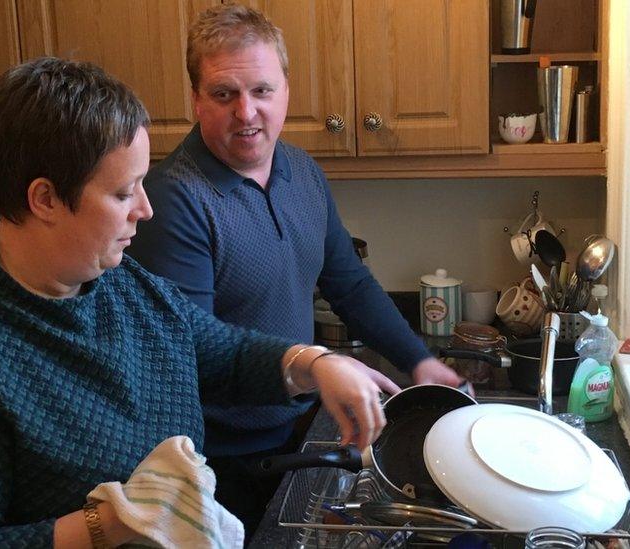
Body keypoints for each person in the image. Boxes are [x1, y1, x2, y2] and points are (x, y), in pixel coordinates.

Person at [0, 56, 399, 548]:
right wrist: (113, 522)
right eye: (122, 192)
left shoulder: (120, 282)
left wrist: (315, 363)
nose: (145, 209)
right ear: (44, 199)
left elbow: (221, 352)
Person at [130, 4, 466, 535]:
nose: (246, 112)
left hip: (301, 432)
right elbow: (194, 351)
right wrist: (315, 365)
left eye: (261, 91)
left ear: (286, 90)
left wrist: (418, 361)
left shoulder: (302, 172)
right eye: (224, 94)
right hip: (224, 461)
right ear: (196, 99)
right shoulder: (174, 200)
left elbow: (347, 283)